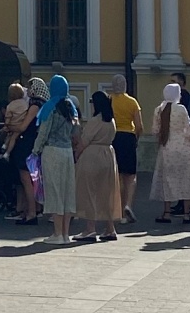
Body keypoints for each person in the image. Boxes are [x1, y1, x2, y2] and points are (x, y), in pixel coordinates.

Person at [34, 73, 79, 243]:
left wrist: (35, 150)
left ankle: (57, 234)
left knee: (54, 191)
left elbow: (43, 132)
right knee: (67, 191)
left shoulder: (49, 107)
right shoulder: (71, 108)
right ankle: (66, 234)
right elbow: (76, 132)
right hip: (67, 152)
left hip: (51, 152)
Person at [153, 81, 190, 224]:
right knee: (186, 180)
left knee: (168, 181)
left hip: (167, 149)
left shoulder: (159, 109)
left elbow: (155, 130)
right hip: (184, 149)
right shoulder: (181, 109)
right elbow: (188, 128)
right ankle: (187, 214)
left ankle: (166, 213)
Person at [75, 89, 120, 239]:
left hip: (92, 155)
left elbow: (84, 141)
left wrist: (76, 156)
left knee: (89, 191)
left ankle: (90, 228)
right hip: (108, 154)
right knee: (106, 192)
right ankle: (110, 228)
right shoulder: (111, 120)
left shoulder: (95, 121)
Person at [108, 78, 143, 226]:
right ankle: (128, 205)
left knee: (119, 175)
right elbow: (139, 125)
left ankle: (120, 211)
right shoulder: (132, 102)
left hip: (114, 136)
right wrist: (136, 138)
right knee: (131, 175)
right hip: (128, 136)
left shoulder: (109, 100)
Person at [1, 81, 37, 222]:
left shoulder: (13, 106)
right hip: (23, 139)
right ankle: (28, 210)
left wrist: (8, 126)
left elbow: (15, 125)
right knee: (26, 180)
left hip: (22, 141)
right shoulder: (27, 105)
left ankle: (31, 213)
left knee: (25, 179)